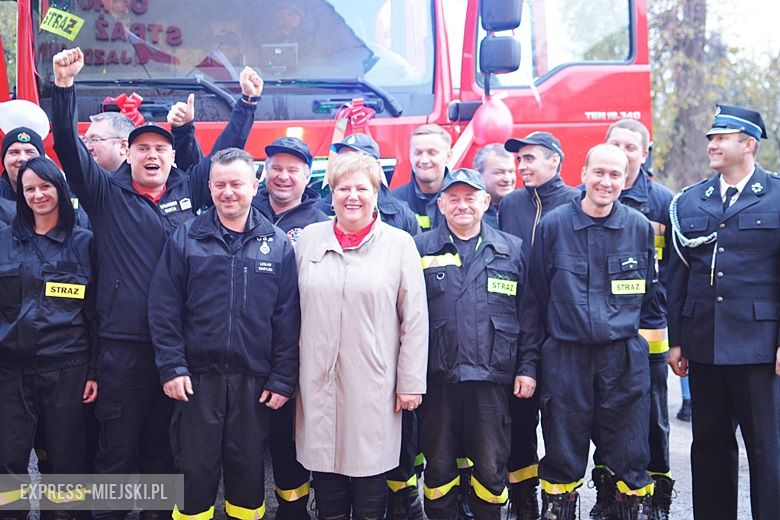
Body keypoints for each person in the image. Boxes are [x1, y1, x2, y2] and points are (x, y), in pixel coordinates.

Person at [50, 46, 260, 520]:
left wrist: (246, 104)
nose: (152, 155)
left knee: (164, 454)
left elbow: (225, 156)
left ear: (172, 156)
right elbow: (66, 146)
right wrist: (63, 88)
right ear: (128, 154)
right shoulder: (105, 193)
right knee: (116, 453)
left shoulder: (189, 189)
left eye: (161, 149)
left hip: (178, 351)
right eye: (143, 148)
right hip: (122, 350)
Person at [148, 148, 300, 520]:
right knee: (194, 473)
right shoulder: (186, 238)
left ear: (254, 186)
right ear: (210, 186)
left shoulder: (277, 244)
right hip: (197, 381)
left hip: (254, 383)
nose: (227, 192)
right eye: (219, 184)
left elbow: (287, 319)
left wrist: (283, 379)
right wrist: (172, 367)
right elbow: (164, 308)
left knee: (248, 473)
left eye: (236, 184)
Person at [523, 144, 661, 520]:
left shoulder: (638, 227)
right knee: (562, 452)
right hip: (566, 356)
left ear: (625, 179)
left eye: (615, 174)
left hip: (623, 357)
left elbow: (650, 297)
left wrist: (653, 360)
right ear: (583, 173)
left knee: (631, 451)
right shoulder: (553, 226)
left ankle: (630, 510)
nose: (606, 181)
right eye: (598, 172)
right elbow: (537, 296)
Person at [295, 152, 428, 520]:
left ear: (376, 194)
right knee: (325, 471)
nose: (352, 196)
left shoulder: (399, 244)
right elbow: (289, 311)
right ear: (331, 193)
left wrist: (410, 382)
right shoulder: (308, 240)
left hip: (374, 383)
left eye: (362, 188)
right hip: (316, 380)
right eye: (343, 188)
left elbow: (415, 319)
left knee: (371, 471)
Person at [667, 104, 780, 519]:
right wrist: (676, 340)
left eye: (721, 138)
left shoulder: (777, 195)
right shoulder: (689, 201)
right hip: (705, 344)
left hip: (759, 348)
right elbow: (677, 276)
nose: (712, 145)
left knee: (767, 449)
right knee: (709, 447)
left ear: (748, 144)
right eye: (711, 138)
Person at [414, 168, 533, 520]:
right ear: (441, 204)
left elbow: (528, 316)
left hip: (492, 380)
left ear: (485, 202)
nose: (462, 205)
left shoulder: (511, 249)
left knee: (490, 466)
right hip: (438, 379)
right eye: (454, 198)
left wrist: (527, 368)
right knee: (438, 468)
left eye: (470, 198)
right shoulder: (419, 248)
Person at [585, 119, 676, 520]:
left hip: (648, 329)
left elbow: (674, 269)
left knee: (652, 418)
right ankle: (608, 493)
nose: (623, 152)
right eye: (615, 144)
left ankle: (655, 496)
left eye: (631, 147)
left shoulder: (663, 202)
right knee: (604, 415)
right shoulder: (590, 196)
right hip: (604, 331)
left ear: (644, 152)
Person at [0, 157, 96, 518]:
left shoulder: (85, 243)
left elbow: (97, 313)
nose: (38, 195)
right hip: (10, 370)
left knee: (66, 460)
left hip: (66, 368)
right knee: (7, 458)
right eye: (29, 189)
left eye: (45, 186)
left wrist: (94, 371)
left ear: (60, 188)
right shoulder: (4, 242)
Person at [498, 131, 578, 519]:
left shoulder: (576, 201)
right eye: (520, 160)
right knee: (519, 420)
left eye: (530, 158)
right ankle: (523, 498)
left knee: (562, 421)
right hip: (515, 328)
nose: (522, 166)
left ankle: (559, 502)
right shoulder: (510, 203)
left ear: (554, 161)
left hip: (563, 332)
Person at [318, 133, 420, 236]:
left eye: (360, 159)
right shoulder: (318, 212)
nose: (350, 166)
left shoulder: (402, 215)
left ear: (377, 166)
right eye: (343, 160)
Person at [393, 124, 452, 232]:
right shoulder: (394, 202)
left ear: (448, 156)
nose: (424, 160)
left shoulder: (464, 202)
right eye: (418, 153)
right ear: (410, 156)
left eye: (432, 153)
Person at [472, 144, 516, 229]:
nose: (507, 179)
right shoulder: (468, 210)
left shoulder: (529, 205)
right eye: (499, 172)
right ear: (479, 174)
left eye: (511, 171)